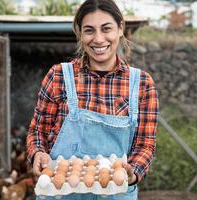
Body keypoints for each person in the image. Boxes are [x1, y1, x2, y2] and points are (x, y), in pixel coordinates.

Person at [27, 0, 159, 199]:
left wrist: (132, 173)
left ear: (120, 28)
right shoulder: (59, 76)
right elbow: (38, 131)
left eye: (106, 29)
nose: (98, 39)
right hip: (61, 193)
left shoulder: (141, 83)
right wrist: (37, 153)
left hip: (116, 193)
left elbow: (145, 144)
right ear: (80, 33)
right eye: (89, 30)